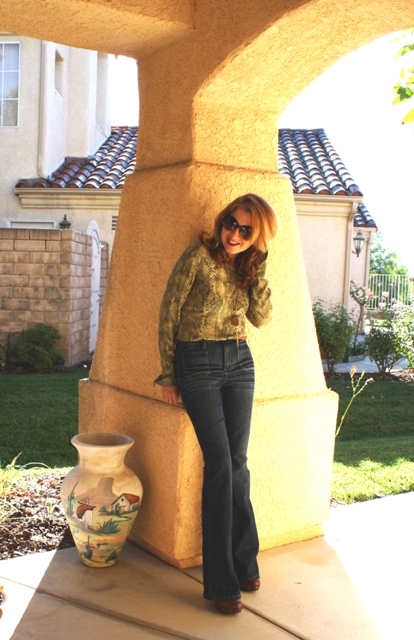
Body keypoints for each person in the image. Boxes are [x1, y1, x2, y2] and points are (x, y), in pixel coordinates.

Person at [155, 193, 278, 614]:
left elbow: (261, 318)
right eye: (231, 223)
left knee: (238, 463)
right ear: (222, 221)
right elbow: (169, 313)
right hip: (197, 363)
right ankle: (222, 584)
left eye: (246, 230)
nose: (234, 234)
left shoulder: (249, 268)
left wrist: (259, 266)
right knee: (221, 464)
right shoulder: (197, 257)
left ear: (257, 237)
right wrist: (168, 374)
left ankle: (245, 564)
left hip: (240, 362)